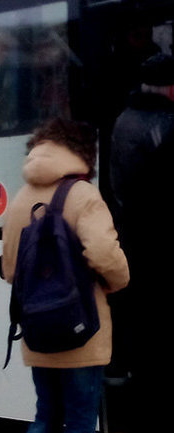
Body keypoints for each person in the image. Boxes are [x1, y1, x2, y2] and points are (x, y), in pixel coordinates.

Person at [2, 118, 130, 433]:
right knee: (81, 421)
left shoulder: (21, 198)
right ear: (82, 152)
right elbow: (104, 254)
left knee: (45, 416)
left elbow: (10, 270)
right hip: (81, 333)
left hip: (38, 332)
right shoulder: (83, 194)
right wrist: (117, 282)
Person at [109, 52, 174, 432]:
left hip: (132, 241)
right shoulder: (164, 124)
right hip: (158, 242)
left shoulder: (124, 119)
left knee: (141, 324)